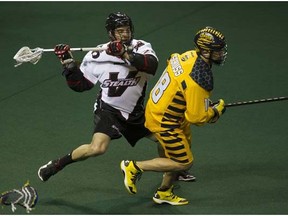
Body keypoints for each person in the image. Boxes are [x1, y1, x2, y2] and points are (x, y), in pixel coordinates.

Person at [37, 12, 159, 182]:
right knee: (97, 148)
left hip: (134, 111)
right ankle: (58, 164)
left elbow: (151, 65)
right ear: (111, 33)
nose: (125, 34)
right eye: (120, 31)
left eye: (127, 30)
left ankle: (173, 169)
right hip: (108, 110)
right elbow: (81, 86)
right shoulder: (96, 55)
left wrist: (124, 53)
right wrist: (69, 64)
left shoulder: (142, 47)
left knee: (164, 139)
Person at [120, 26, 227, 205]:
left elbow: (172, 58)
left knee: (179, 150)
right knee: (184, 162)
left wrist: (201, 103)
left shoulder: (189, 55)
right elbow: (197, 117)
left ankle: (164, 192)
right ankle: (134, 167)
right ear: (206, 51)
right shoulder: (200, 79)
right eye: (218, 51)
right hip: (165, 120)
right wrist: (215, 111)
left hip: (162, 110)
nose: (222, 53)